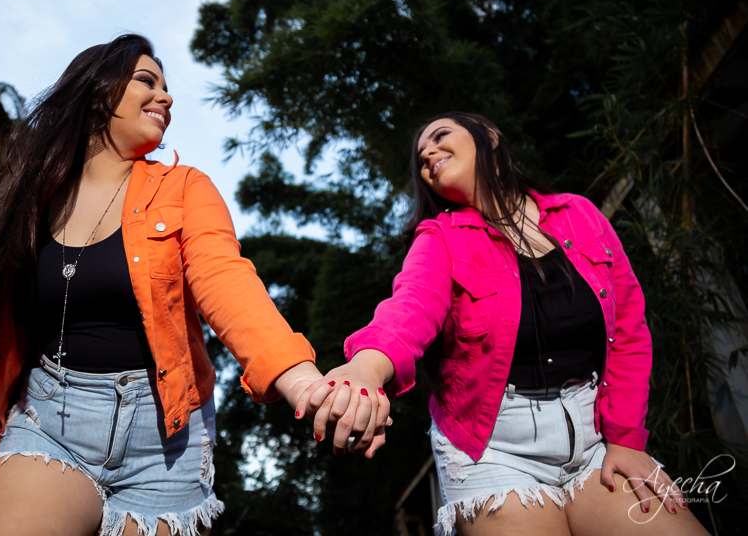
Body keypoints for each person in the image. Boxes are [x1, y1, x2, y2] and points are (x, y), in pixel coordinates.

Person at [0, 34, 386, 536]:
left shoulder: (185, 187)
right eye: (146, 81)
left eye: (167, 88)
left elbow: (226, 280)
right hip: (49, 422)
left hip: (166, 441)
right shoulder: (25, 203)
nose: (166, 97)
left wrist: (301, 379)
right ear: (94, 92)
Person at [301, 113, 709, 535]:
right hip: (490, 450)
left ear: (491, 139)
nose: (427, 154)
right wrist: (365, 369)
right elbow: (411, 306)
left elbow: (628, 330)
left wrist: (625, 440)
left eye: (441, 137)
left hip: (595, 439)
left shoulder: (579, 214)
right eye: (421, 156)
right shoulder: (440, 237)